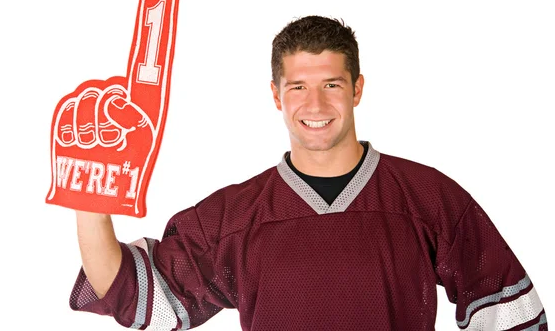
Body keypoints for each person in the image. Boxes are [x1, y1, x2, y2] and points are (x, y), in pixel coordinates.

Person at [70, 16, 548, 330]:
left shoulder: (427, 199)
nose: (315, 104)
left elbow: (510, 313)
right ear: (277, 96)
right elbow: (131, 293)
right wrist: (92, 196)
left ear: (357, 89)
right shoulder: (235, 216)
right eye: (297, 86)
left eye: (331, 84)